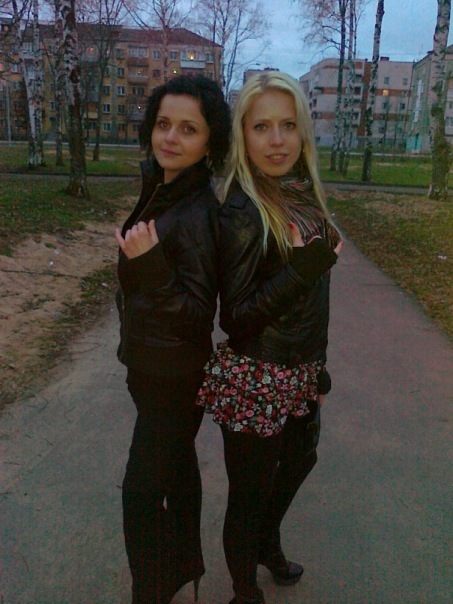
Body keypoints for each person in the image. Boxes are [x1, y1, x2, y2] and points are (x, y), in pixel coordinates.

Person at [197, 71, 343, 604]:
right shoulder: (242, 209)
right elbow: (236, 317)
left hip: (299, 369)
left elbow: (313, 302)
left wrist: (317, 368)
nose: (277, 140)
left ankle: (265, 544)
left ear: (303, 131)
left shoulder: (301, 195)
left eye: (288, 125)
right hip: (256, 375)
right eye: (262, 127)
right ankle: (244, 590)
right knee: (250, 494)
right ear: (243, 134)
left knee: (301, 461)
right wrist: (301, 270)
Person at [115, 74, 230, 604]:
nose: (171, 137)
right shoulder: (163, 189)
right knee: (179, 472)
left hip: (174, 378)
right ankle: (184, 565)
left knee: (139, 494)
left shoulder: (199, 211)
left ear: (209, 142)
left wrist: (152, 265)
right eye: (164, 124)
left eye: (189, 129)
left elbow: (197, 315)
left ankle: (153, 588)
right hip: (147, 367)